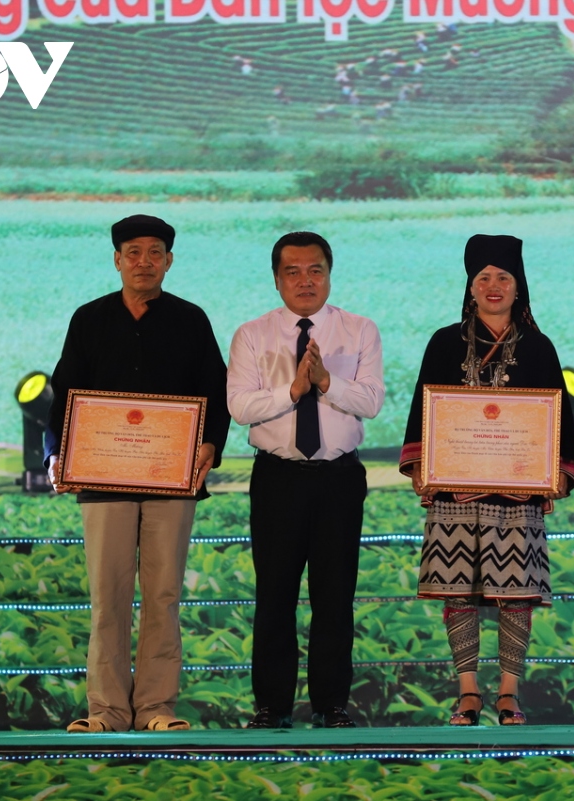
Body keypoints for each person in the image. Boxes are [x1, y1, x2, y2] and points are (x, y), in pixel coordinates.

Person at [45, 214, 231, 733]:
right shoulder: (89, 319)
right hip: (102, 480)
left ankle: (156, 708)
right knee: (108, 597)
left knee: (164, 594)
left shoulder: (191, 320)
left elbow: (215, 394)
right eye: (133, 252)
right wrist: (58, 454)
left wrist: (210, 445)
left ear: (169, 261)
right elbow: (65, 396)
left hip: (172, 479)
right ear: (117, 260)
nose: (144, 262)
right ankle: (104, 712)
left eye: (155, 252)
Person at [400, 234, 574, 726]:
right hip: (456, 489)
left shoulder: (540, 347)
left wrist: (557, 476)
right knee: (459, 593)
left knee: (515, 594)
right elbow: (422, 409)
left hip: (516, 492)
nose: (494, 286)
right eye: (484, 278)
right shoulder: (443, 342)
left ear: (519, 287)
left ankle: (508, 693)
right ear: (470, 287)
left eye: (504, 278)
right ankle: (467, 693)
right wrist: (422, 469)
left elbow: (560, 418)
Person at [227, 231, 385, 729]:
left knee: (334, 596)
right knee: (274, 594)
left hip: (338, 478)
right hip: (277, 479)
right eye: (292, 271)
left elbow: (371, 401)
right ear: (276, 279)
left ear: (330, 275)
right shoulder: (252, 335)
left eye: (315, 270)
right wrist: (293, 390)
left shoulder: (360, 330)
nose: (305, 280)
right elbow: (239, 407)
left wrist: (325, 383)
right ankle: (272, 706)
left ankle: (331, 704)